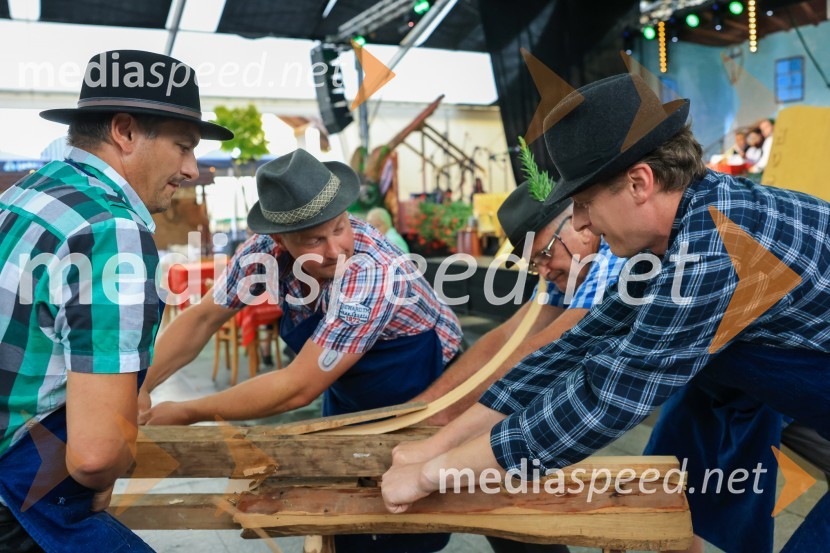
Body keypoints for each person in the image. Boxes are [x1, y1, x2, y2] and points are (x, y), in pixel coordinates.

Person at [380, 73, 829, 553]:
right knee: (662, 505)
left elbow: (606, 396)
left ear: (639, 182)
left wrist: (433, 474)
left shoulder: (718, 243)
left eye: (583, 203)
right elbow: (576, 346)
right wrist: (435, 444)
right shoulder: (674, 233)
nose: (580, 223)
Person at [139, 147, 461, 553]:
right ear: (279, 239)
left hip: (420, 382)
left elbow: (298, 387)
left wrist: (188, 411)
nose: (334, 250)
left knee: (404, 521)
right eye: (314, 240)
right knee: (343, 506)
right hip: (347, 386)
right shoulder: (261, 253)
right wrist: (139, 384)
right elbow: (204, 317)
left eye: (340, 228)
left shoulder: (371, 270)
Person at [0, 50, 232, 552]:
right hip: (18, 500)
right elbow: (96, 455)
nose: (192, 168)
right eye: (183, 147)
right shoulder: (111, 229)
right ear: (124, 131)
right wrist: (115, 443)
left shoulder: (26, 196)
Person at [412, 181, 625, 553]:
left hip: (731, 372)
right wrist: (427, 409)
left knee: (691, 499)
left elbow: (546, 347)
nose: (543, 270)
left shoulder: (611, 257)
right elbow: (507, 336)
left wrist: (450, 418)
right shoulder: (568, 262)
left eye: (544, 254)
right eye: (533, 263)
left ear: (578, 224)